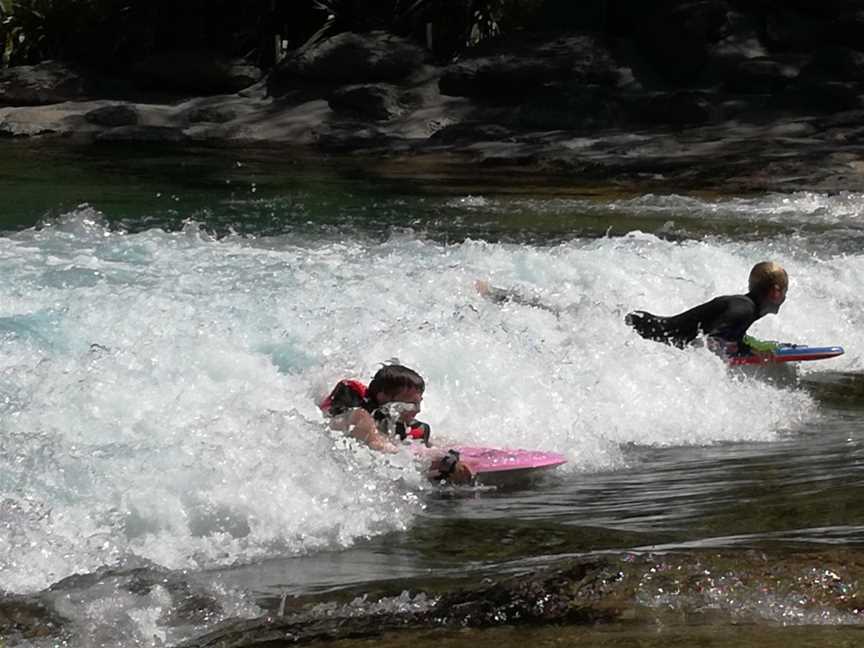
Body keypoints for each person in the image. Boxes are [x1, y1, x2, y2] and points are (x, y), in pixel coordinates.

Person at [320, 364, 473, 483]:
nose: (417, 410)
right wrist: (438, 463)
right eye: (411, 404)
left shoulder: (403, 424)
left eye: (419, 403)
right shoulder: (358, 414)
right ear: (383, 397)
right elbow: (379, 445)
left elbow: (425, 446)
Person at [625, 261, 789, 356]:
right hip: (641, 329)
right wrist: (750, 353)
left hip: (644, 328)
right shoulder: (744, 310)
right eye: (785, 291)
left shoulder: (745, 308)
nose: (785, 297)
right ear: (775, 292)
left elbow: (730, 337)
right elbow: (708, 342)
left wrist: (755, 348)